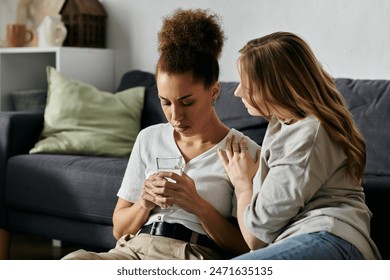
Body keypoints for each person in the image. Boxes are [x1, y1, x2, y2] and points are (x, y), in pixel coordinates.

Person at [62, 8, 260, 260]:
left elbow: (246, 247)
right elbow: (119, 230)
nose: (175, 116)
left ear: (214, 91)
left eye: (187, 102)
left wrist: (196, 204)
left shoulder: (243, 152)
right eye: (165, 102)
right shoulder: (148, 138)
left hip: (192, 254)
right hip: (133, 250)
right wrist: (144, 201)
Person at [218, 31, 382, 260]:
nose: (237, 92)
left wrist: (242, 183)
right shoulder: (283, 123)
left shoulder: (308, 134)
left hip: (328, 238)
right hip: (311, 238)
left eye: (247, 84)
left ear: (275, 86)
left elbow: (255, 237)